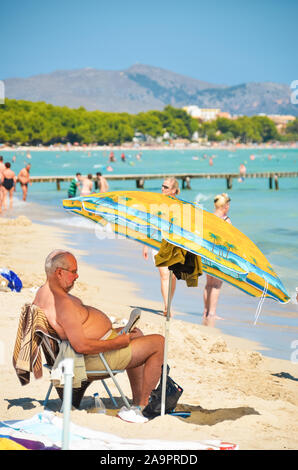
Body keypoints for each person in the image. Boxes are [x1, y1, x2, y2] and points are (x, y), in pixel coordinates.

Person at [33, 250, 164, 410]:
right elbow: (81, 346)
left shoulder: (43, 294)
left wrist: (113, 334)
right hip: (93, 360)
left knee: (136, 334)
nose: (77, 276)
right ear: (59, 272)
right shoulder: (62, 305)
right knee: (159, 343)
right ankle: (143, 406)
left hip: (84, 353)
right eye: (73, 272)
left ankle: (137, 401)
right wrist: (117, 342)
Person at [142, 177, 180, 316]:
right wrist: (146, 245)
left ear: (174, 190)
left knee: (174, 276)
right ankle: (166, 307)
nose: (162, 189)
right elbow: (151, 224)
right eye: (162, 186)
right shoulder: (158, 204)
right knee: (165, 275)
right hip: (158, 243)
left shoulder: (180, 206)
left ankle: (169, 303)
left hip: (175, 245)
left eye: (166, 187)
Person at [203, 193, 232, 326]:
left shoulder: (209, 217)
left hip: (207, 253)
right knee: (216, 284)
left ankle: (205, 311)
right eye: (228, 204)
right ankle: (212, 313)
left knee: (208, 284)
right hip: (219, 255)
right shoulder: (226, 220)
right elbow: (230, 240)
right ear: (225, 206)